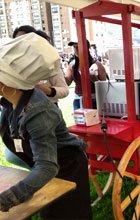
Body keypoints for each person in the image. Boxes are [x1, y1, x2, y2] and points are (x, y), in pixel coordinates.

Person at [0, 33, 92, 218]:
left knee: (67, 214)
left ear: (7, 84)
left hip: (67, 168)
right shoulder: (11, 101)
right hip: (46, 167)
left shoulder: (38, 113)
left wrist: (7, 198)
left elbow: (47, 167)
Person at [12, 25, 69, 106]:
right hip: (19, 111)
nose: (20, 44)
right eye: (16, 41)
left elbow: (64, 90)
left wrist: (45, 90)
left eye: (24, 40)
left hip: (47, 110)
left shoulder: (49, 63)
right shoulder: (12, 65)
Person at [65, 39, 108, 110]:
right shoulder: (72, 65)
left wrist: (95, 80)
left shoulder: (97, 64)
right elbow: (67, 82)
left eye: (78, 47)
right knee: (79, 121)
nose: (76, 50)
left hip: (94, 100)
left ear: (86, 48)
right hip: (78, 100)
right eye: (74, 47)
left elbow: (104, 85)